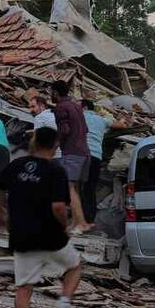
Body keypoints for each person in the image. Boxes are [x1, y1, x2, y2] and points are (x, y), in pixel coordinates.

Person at [0, 127, 85, 308]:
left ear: (33, 143)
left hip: (22, 236)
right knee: (74, 267)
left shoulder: (16, 165)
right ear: (55, 147)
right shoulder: (56, 170)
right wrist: (65, 224)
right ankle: (64, 304)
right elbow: (58, 207)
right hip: (51, 236)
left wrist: (1, 214)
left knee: (24, 289)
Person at [51, 80, 91, 233]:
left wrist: (54, 147)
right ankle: (76, 223)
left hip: (72, 152)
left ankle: (81, 224)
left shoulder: (61, 107)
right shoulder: (77, 107)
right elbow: (85, 129)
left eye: (51, 92)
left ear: (55, 92)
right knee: (75, 188)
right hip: (85, 152)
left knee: (69, 188)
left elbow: (64, 130)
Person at [81, 100, 128, 224]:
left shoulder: (80, 116)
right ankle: (89, 219)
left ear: (84, 107)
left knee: (78, 187)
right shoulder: (101, 120)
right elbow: (121, 126)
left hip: (82, 155)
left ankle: (79, 218)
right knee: (90, 188)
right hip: (96, 156)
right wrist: (123, 120)